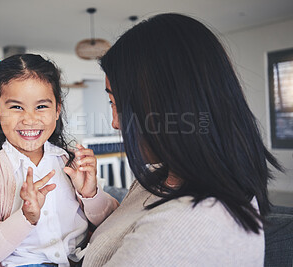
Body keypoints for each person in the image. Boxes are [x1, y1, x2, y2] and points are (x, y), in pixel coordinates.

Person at [82, 13, 283, 266]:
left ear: (169, 106)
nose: (115, 123)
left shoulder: (190, 224)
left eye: (118, 104)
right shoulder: (159, 176)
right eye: (111, 103)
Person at [0, 54, 119, 267]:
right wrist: (25, 217)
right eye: (16, 107)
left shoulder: (70, 162)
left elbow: (113, 223)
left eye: (41, 106)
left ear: (57, 110)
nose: (30, 119)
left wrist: (90, 193)